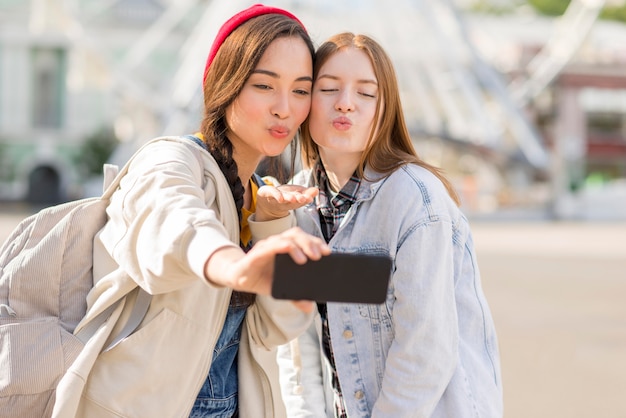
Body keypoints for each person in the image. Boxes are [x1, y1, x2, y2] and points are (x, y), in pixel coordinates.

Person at [52, 5, 330, 418]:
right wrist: (233, 265)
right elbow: (176, 223)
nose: (284, 108)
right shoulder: (172, 161)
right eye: (264, 86)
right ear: (225, 83)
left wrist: (271, 226)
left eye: (301, 90)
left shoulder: (263, 198)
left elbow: (270, 332)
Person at [274, 33, 503, 417]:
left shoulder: (416, 200)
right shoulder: (298, 202)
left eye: (367, 94)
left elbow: (425, 351)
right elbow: (300, 345)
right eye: (328, 88)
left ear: (387, 109)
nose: (345, 103)